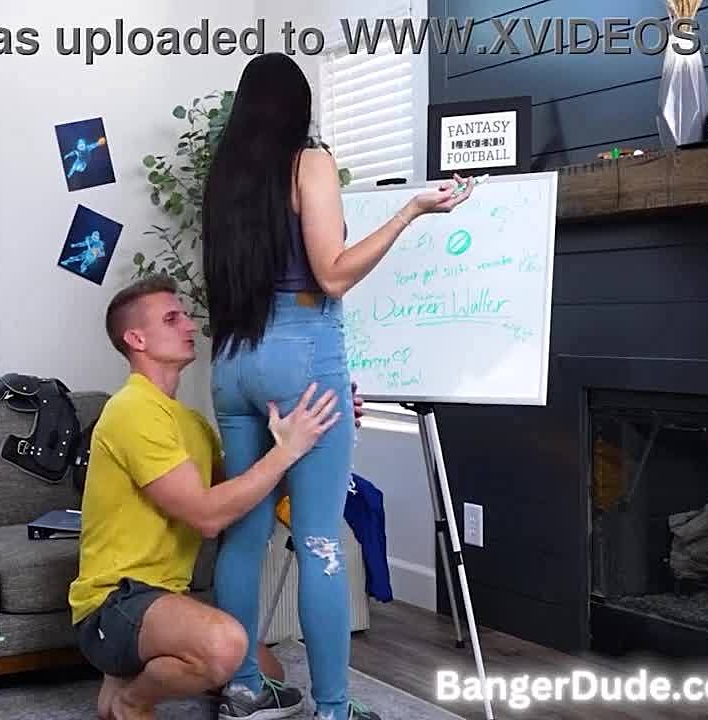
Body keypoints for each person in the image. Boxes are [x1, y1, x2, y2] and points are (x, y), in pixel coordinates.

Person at [200, 52, 475, 720]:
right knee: (320, 535)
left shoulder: (226, 177)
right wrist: (410, 211)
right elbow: (332, 273)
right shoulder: (309, 162)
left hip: (232, 360)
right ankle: (333, 709)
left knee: (244, 535)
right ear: (300, 108)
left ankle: (241, 688)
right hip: (301, 350)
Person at [67, 276, 365, 720]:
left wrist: (317, 433)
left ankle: (125, 674)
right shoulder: (132, 409)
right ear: (136, 339)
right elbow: (207, 517)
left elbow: (245, 497)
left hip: (163, 598)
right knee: (225, 648)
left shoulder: (189, 422)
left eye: (185, 315)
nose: (190, 325)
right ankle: (131, 701)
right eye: (172, 318)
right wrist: (286, 451)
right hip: (114, 603)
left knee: (266, 671)